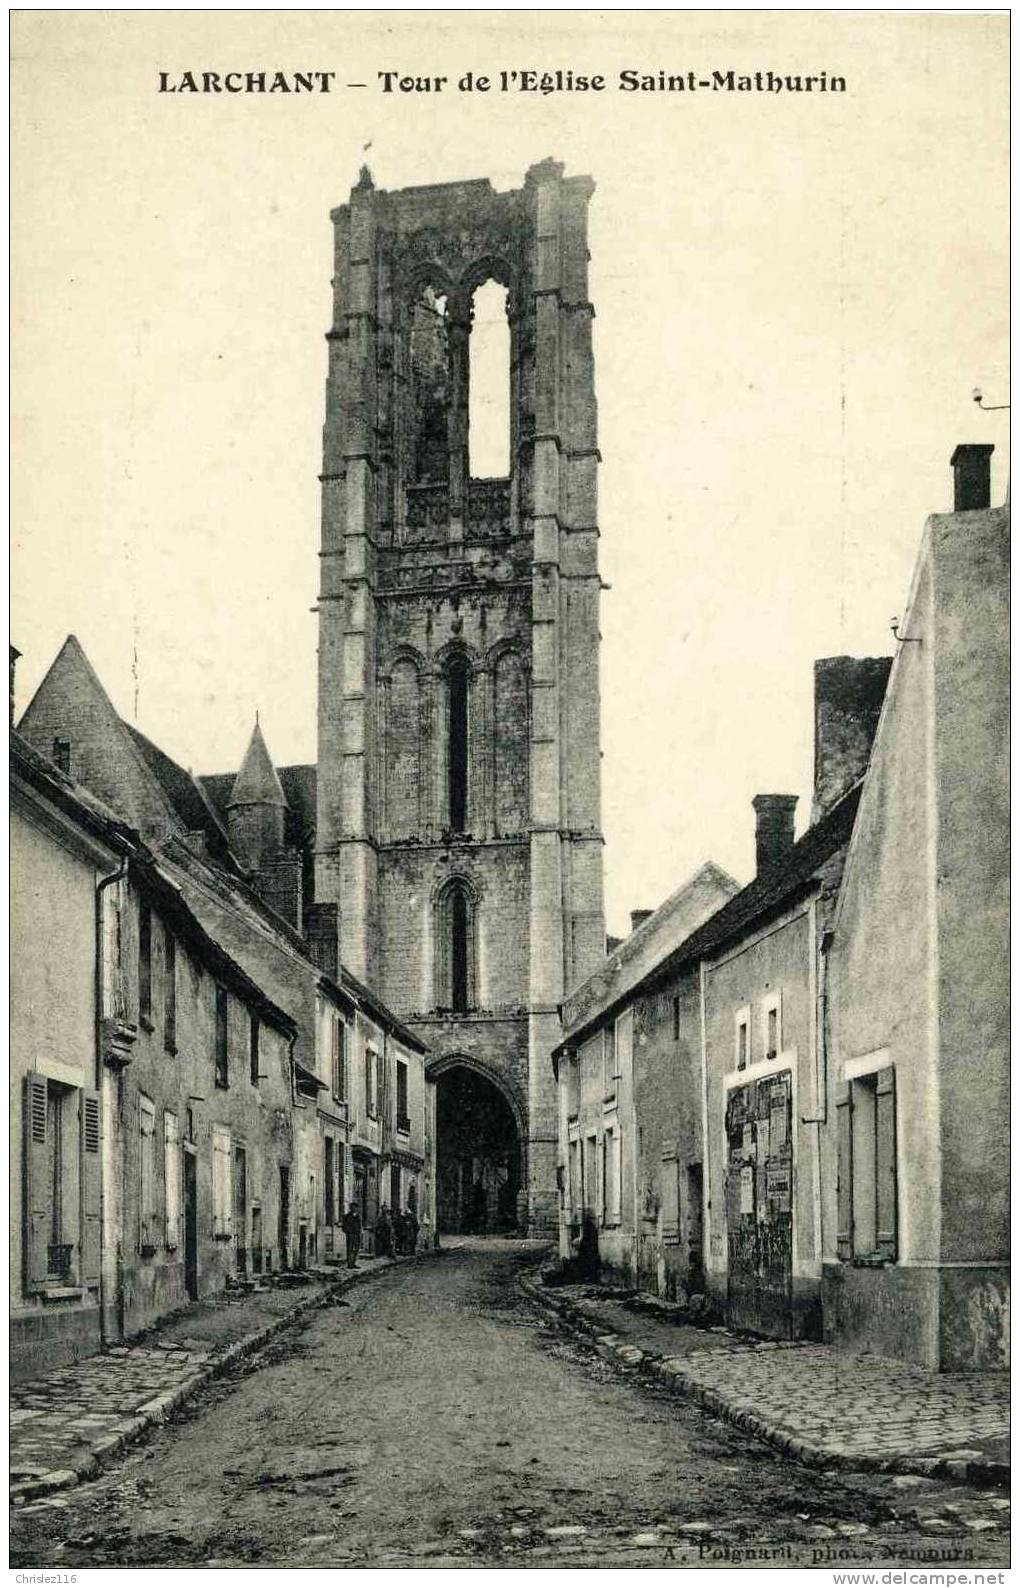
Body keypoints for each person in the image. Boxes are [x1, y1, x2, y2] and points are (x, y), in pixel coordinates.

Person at [341, 1201, 362, 1269]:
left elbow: (360, 1226)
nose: (354, 1209)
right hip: (350, 1235)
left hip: (357, 1235)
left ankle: (353, 1263)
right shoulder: (347, 1216)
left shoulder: (358, 1216)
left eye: (355, 1207)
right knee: (350, 1249)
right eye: (352, 1207)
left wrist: (360, 1233)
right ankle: (349, 1264)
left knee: (356, 1249)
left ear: (357, 1208)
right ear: (350, 1208)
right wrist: (348, 1232)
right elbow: (344, 1227)